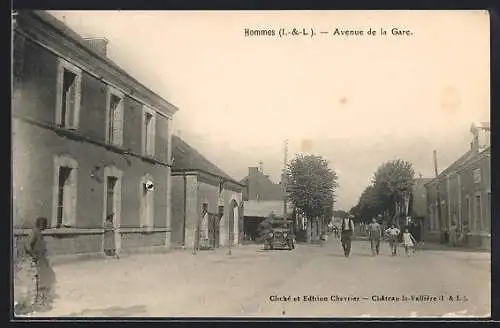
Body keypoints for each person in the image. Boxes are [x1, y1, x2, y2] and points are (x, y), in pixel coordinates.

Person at [24, 217, 56, 312]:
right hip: (34, 262)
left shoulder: (39, 233)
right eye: (45, 224)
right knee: (34, 282)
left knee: (41, 281)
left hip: (40, 261)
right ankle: (32, 305)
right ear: (41, 224)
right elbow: (27, 245)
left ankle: (38, 302)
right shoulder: (34, 232)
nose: (46, 226)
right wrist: (34, 256)